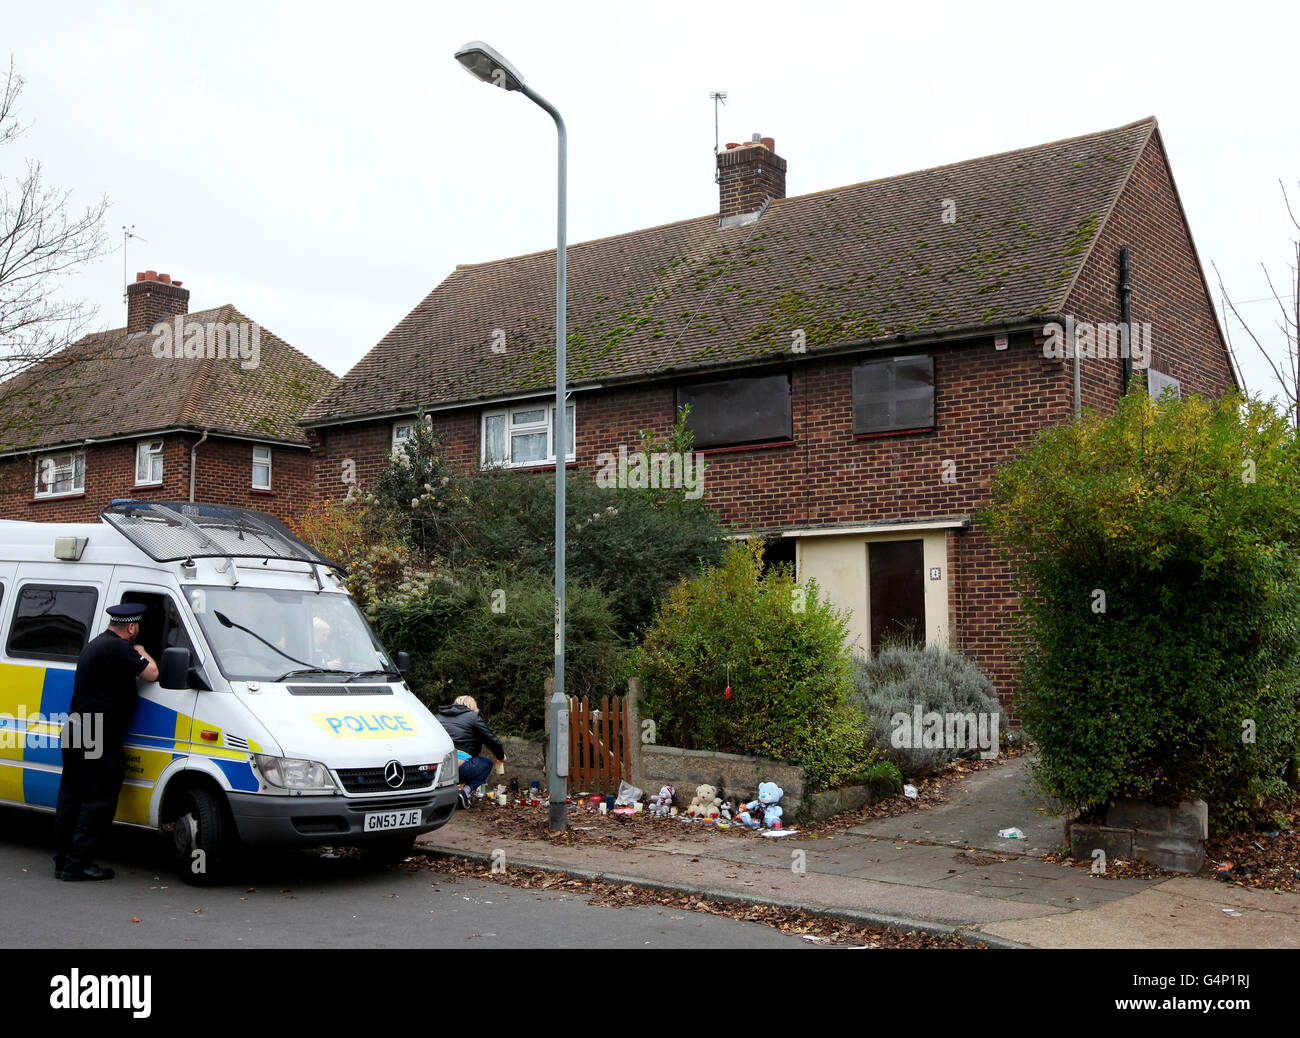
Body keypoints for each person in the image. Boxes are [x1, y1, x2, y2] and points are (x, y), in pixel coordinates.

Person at [54, 603, 159, 881]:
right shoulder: (119, 648)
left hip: (79, 726)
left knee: (72, 796)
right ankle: (79, 864)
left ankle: (64, 860)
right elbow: (152, 674)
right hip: (98, 730)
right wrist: (143, 651)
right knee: (98, 798)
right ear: (132, 627)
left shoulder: (97, 643)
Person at [435, 695, 504, 809]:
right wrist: (501, 756)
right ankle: (465, 792)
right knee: (486, 763)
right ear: (473, 706)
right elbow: (491, 739)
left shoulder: (438, 717)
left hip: (436, 769)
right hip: (459, 770)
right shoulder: (473, 716)